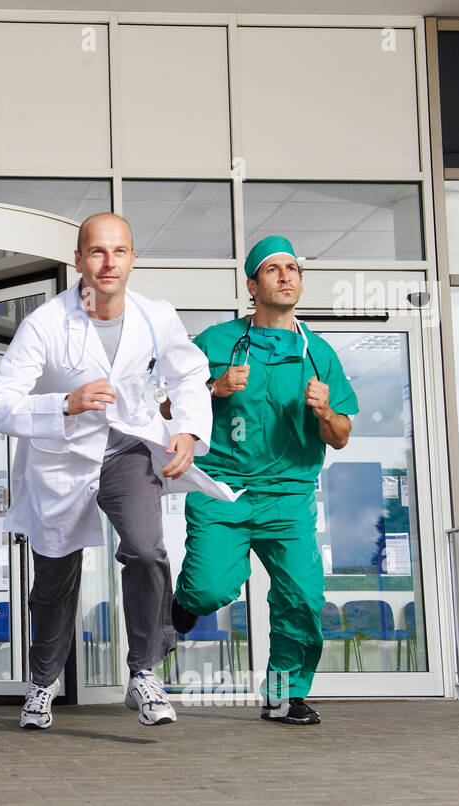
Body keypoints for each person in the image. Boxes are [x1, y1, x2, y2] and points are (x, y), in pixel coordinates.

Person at [0, 212, 233, 730]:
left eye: (119, 251)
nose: (108, 262)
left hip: (126, 451)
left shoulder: (154, 316)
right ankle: (42, 681)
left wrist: (187, 430)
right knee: (54, 581)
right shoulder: (45, 324)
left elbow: (189, 373)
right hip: (62, 459)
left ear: (133, 258)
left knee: (146, 550)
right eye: (97, 251)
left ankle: (144, 672)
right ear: (78, 260)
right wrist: (64, 404)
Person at [169, 235, 358, 725]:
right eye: (273, 270)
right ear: (252, 284)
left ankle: (283, 694)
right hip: (223, 491)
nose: (286, 276)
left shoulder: (319, 354)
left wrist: (326, 411)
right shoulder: (215, 341)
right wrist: (214, 387)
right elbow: (168, 406)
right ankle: (188, 601)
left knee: (302, 597)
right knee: (210, 591)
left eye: (292, 268)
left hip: (289, 498)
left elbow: (340, 436)